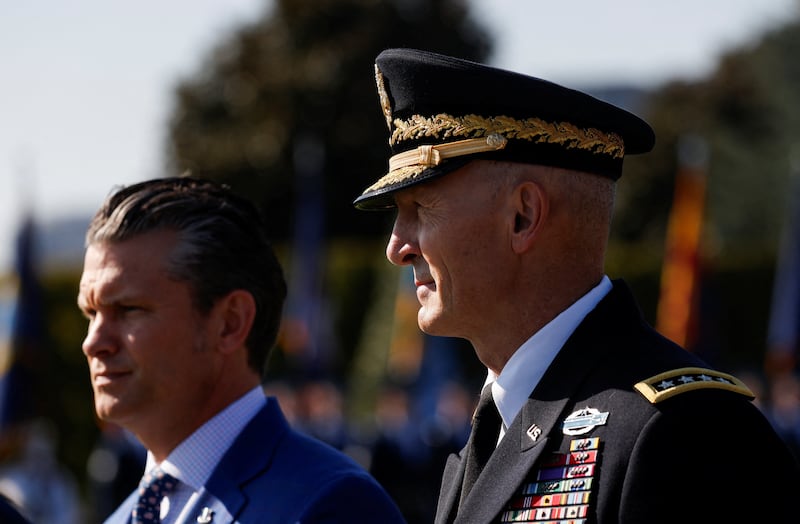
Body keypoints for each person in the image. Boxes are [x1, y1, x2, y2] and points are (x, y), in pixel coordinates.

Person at [353, 48, 800, 523]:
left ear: (523, 216)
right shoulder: (494, 427)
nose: (397, 247)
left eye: (420, 210)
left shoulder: (687, 433)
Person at [78, 177, 406, 524]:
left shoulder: (330, 506)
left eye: (129, 309)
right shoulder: (122, 517)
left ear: (230, 323)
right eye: (91, 313)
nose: (94, 342)